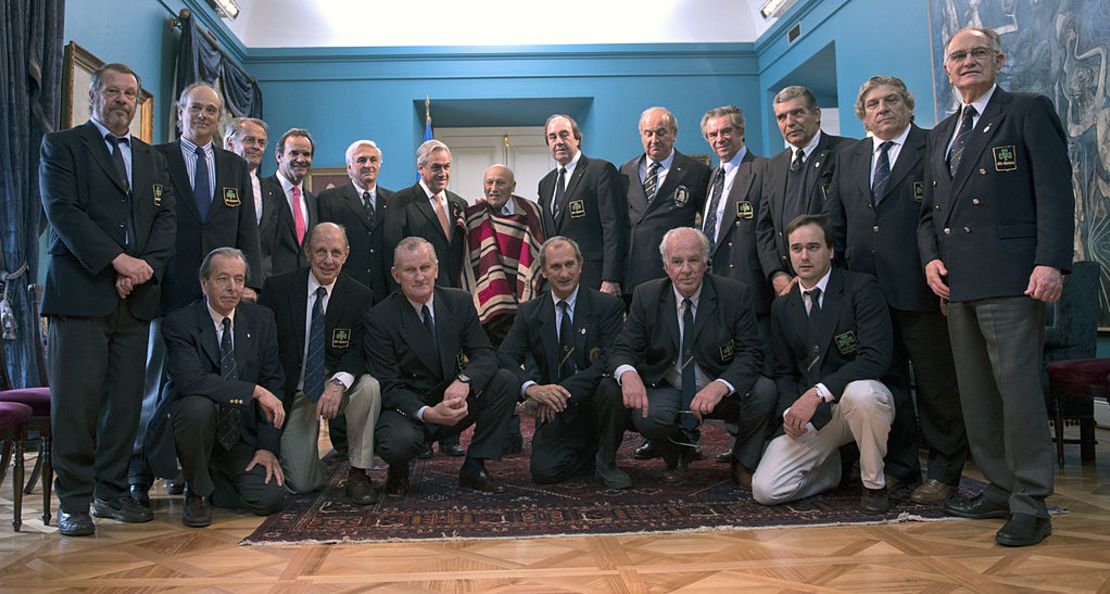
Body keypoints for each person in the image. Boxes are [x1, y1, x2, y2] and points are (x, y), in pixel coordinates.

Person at [919, 26, 1074, 547]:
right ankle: (999, 486)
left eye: (977, 53)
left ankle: (1032, 501)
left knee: (1018, 393)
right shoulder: (939, 133)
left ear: (999, 59)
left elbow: (1054, 193)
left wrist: (1050, 263)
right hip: (957, 284)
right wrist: (930, 261)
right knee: (978, 396)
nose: (967, 62)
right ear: (946, 69)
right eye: (958, 56)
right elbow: (928, 215)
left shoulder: (1027, 111)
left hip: (1013, 279)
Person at [40, 63, 177, 536]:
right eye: (114, 91)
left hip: (135, 300)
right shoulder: (62, 147)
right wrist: (118, 262)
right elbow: (64, 213)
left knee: (124, 404)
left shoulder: (152, 158)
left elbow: (165, 222)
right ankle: (74, 502)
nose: (123, 100)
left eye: (131, 94)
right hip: (80, 295)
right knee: (77, 404)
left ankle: (110, 492)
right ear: (94, 96)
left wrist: (143, 269)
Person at [825, 76, 968, 504]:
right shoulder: (849, 156)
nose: (881, 108)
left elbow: (944, 217)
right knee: (887, 387)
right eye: (872, 103)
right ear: (862, 113)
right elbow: (837, 222)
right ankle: (902, 468)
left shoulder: (933, 145)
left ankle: (944, 472)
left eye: (890, 101)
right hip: (867, 296)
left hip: (922, 289)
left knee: (936, 386)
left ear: (908, 105)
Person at [129, 83, 264, 506]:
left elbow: (247, 231)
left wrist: (251, 284)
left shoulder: (233, 166)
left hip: (222, 297)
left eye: (211, 110)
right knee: (155, 385)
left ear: (219, 116)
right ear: (179, 111)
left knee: (210, 386)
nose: (203, 116)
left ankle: (193, 466)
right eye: (195, 108)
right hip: (166, 292)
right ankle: (140, 470)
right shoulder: (156, 159)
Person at [608, 227, 776, 487]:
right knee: (646, 415)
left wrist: (722, 385)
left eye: (693, 260)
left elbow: (751, 352)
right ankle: (678, 454)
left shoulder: (734, 294)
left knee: (764, 391)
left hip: (718, 385)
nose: (686, 269)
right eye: (677, 261)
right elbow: (623, 349)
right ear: (665, 266)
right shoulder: (646, 295)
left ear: (706, 262)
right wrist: (628, 373)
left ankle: (744, 461)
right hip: (671, 386)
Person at [752, 215, 896, 514]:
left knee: (863, 394)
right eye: (796, 248)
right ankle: (833, 471)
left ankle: (874, 485)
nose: (804, 256)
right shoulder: (783, 305)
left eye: (813, 247)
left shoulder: (861, 288)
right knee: (766, 489)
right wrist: (791, 410)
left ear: (831, 250)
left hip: (856, 405)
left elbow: (874, 359)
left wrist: (817, 393)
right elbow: (783, 371)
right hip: (814, 415)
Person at [366, 237, 518, 495]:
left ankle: (474, 466)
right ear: (396, 274)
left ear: (436, 270)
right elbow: (389, 387)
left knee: (505, 381)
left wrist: (464, 380)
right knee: (397, 443)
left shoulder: (458, 302)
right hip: (410, 407)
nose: (419, 277)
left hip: (451, 396)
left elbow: (485, 354)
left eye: (425, 268)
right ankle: (399, 472)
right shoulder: (380, 318)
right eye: (410, 270)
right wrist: (428, 412)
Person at [164, 248, 287, 527]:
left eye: (239, 279)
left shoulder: (261, 319)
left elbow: (273, 384)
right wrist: (253, 391)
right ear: (204, 283)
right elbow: (191, 381)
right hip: (195, 432)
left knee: (269, 499)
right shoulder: (180, 323)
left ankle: (215, 481)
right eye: (223, 279)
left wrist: (267, 448)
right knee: (198, 404)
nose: (233, 288)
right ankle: (196, 492)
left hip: (240, 436)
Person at [260, 223, 381, 505]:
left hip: (335, 384)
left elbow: (360, 350)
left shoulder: (360, 295)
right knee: (302, 484)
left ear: (347, 254)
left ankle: (358, 471)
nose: (329, 260)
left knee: (370, 386)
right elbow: (264, 349)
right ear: (307, 252)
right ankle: (311, 464)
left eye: (336, 252)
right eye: (321, 251)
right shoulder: (278, 289)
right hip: (296, 391)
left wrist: (339, 383)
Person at [497, 236, 630, 488]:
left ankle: (607, 461)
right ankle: (590, 451)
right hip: (553, 409)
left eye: (570, 264)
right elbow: (504, 357)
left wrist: (561, 392)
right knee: (544, 473)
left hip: (594, 400)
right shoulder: (529, 312)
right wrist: (532, 389)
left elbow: (609, 360)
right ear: (544, 271)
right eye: (556, 267)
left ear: (581, 264)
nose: (564, 273)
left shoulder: (608, 307)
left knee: (611, 386)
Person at [755, 86, 849, 298]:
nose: (789, 122)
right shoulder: (774, 165)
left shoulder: (846, 153)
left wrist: (811, 271)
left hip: (834, 281)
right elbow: (764, 227)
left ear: (816, 114)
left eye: (797, 113)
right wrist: (776, 272)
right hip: (786, 288)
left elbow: (846, 221)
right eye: (781, 117)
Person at [619, 107, 711, 298]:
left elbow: (708, 223)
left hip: (677, 274)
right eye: (648, 133)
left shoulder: (696, 171)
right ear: (641, 135)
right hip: (634, 274)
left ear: (674, 133)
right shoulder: (626, 170)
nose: (654, 140)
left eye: (661, 132)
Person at [537, 114, 628, 294]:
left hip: (594, 278)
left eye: (564, 134)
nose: (559, 142)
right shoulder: (545, 184)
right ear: (548, 144)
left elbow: (614, 227)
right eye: (552, 137)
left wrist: (610, 278)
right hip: (557, 283)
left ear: (577, 138)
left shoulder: (600, 171)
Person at [463, 164, 546, 347]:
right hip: (486, 301)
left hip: (518, 296)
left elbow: (536, 253)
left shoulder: (529, 212)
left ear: (513, 186)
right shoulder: (474, 215)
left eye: (500, 183)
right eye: (489, 182)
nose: (493, 188)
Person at [317, 140, 395, 302]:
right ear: (349, 167)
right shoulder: (329, 199)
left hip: (385, 292)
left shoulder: (393, 200)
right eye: (361, 160)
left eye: (373, 160)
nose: (368, 164)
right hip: (345, 290)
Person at [384, 139, 467, 289]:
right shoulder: (401, 201)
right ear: (420, 168)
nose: (443, 173)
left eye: (446, 167)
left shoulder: (460, 204)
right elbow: (392, 252)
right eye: (436, 167)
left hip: (456, 293)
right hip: (418, 289)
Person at [225, 117, 284, 283]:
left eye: (261, 142)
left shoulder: (274, 192)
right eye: (249, 140)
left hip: (262, 284)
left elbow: (275, 247)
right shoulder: (215, 183)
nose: (256, 147)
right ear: (230, 143)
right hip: (223, 281)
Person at [264, 128, 318, 277]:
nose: (301, 159)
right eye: (294, 153)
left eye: (306, 154)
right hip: (269, 286)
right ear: (279, 157)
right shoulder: (261, 191)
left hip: (302, 286)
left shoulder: (312, 200)